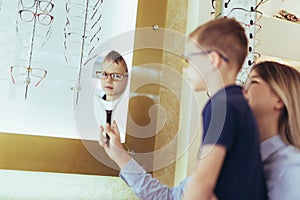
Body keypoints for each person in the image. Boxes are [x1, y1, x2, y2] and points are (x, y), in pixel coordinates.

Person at [99, 18, 267, 200]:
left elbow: (203, 182)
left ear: (212, 60)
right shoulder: (237, 103)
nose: (184, 69)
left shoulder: (220, 106)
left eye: (188, 60)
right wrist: (119, 154)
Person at [243, 61, 300, 200]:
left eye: (254, 81)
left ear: (279, 100)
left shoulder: (291, 170)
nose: (242, 89)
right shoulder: (240, 156)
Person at [94, 50, 129, 142]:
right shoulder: (94, 107)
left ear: (126, 79)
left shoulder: (128, 111)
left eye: (116, 76)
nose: (108, 80)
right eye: (105, 74)